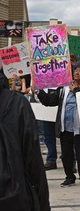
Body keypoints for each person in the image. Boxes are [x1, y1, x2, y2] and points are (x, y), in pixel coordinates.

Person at [35, 60, 80, 189]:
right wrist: (39, 91)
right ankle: (69, 177)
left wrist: (76, 90)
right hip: (65, 128)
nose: (77, 72)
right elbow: (50, 101)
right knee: (66, 155)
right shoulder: (64, 88)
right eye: (75, 70)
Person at [0, 76, 50, 210]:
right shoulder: (16, 103)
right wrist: (43, 204)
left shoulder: (17, 103)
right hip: (13, 196)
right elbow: (33, 159)